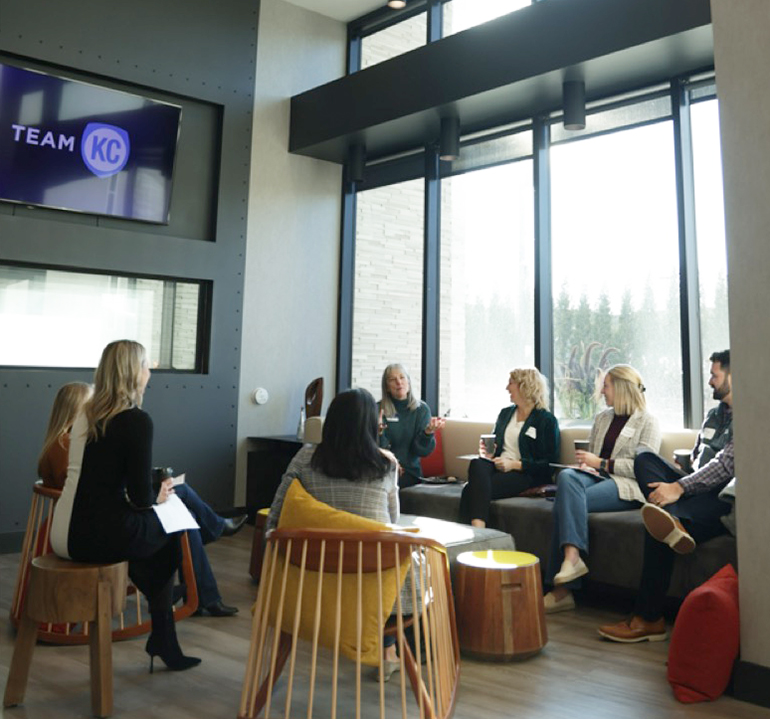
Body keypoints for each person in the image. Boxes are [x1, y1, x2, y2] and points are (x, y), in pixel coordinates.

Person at [50, 340, 200, 672]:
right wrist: (160, 494)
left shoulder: (84, 415)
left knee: (160, 539)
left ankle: (163, 632)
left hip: (63, 532)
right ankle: (164, 631)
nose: (149, 373)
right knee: (172, 528)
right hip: (96, 537)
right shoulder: (136, 420)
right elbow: (141, 497)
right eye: (146, 366)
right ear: (133, 373)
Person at [39, 381, 246, 618]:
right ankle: (203, 575)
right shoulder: (71, 444)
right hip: (94, 524)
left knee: (179, 503)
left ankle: (200, 588)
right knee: (181, 511)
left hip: (87, 520)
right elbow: (91, 489)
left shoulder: (63, 443)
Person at [599, 350, 735, 642]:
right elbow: (698, 458)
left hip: (719, 497)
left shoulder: (748, 417)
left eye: (714, 375)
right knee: (644, 457)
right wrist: (679, 474)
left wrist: (680, 487)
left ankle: (648, 619)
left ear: (733, 376)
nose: (710, 381)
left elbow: (726, 467)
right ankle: (672, 518)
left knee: (656, 525)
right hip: (693, 487)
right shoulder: (713, 415)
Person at [267, 388, 402, 680]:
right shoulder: (387, 464)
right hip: (371, 574)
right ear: (370, 424)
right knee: (406, 566)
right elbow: (393, 522)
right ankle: (388, 650)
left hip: (313, 574)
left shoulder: (305, 458)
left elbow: (275, 516)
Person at [544, 364, 661, 614]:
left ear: (621, 388)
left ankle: (563, 590)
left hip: (627, 486)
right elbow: (594, 458)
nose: (602, 392)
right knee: (566, 476)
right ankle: (572, 560)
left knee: (565, 502)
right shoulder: (603, 418)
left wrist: (602, 463)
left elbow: (645, 468)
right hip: (597, 478)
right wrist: (588, 466)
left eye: (605, 386)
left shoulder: (648, 422)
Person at [459, 368, 560, 528]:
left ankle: (477, 532)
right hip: (498, 466)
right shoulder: (505, 414)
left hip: (525, 474)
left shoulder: (546, 420)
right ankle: (479, 532)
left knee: (470, 490)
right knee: (477, 463)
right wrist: (489, 452)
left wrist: (514, 465)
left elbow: (549, 465)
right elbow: (495, 444)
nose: (507, 388)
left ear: (524, 386)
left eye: (511, 383)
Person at [378, 363, 445, 489]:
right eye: (392, 379)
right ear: (386, 387)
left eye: (402, 377)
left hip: (409, 472)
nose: (399, 382)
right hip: (382, 469)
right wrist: (379, 433)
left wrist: (427, 433)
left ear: (408, 382)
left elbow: (422, 452)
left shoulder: (421, 410)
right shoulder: (378, 409)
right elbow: (374, 448)